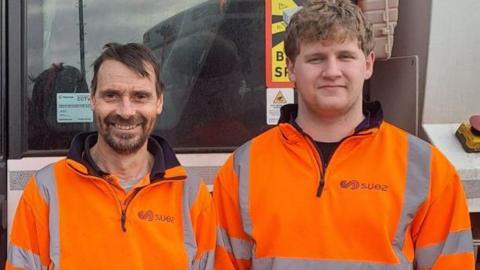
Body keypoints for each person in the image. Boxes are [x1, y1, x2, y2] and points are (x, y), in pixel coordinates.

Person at [213, 0, 474, 269]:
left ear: (368, 64)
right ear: (291, 67)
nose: (332, 72)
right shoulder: (242, 169)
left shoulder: (427, 169)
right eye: (316, 58)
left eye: (345, 56)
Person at [7, 43, 215, 269]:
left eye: (140, 96)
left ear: (159, 102)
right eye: (111, 95)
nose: (126, 111)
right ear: (92, 100)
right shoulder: (46, 190)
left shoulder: (192, 195)